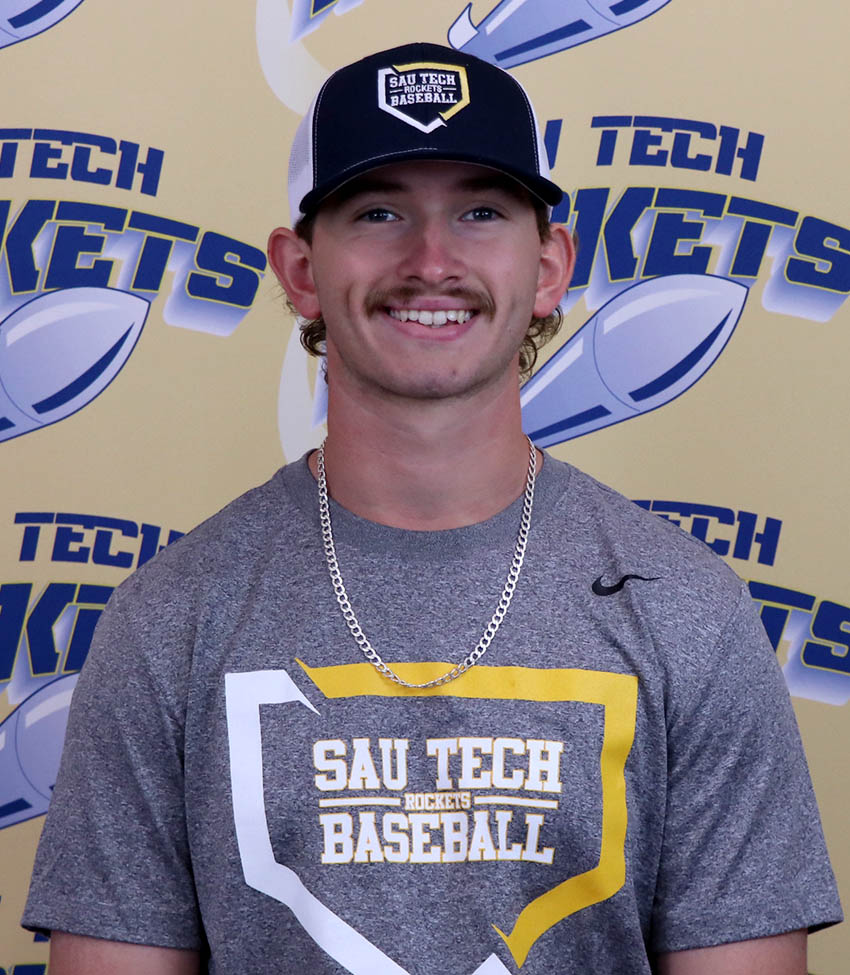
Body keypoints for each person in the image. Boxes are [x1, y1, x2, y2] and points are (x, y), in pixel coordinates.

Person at [23, 42, 841, 975]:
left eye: (481, 212)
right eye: (379, 212)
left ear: (549, 264)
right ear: (298, 269)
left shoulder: (687, 610)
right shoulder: (171, 619)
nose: (432, 260)